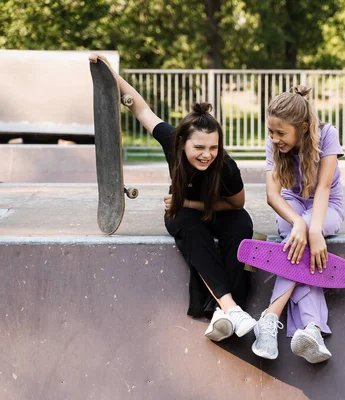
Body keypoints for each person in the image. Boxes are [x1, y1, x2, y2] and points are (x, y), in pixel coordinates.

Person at [89, 53, 256, 342]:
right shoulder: (171, 140)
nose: (207, 155)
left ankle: (221, 313)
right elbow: (141, 109)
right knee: (189, 227)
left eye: (214, 147)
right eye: (199, 147)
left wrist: (191, 202)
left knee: (242, 225)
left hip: (216, 210)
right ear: (182, 142)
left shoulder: (225, 167)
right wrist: (109, 74)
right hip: (183, 214)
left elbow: (236, 204)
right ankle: (231, 308)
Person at [251, 85, 344, 364]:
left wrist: (313, 229)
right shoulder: (274, 145)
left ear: (303, 127)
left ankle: (269, 317)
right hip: (291, 205)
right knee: (295, 241)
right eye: (271, 132)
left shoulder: (327, 134)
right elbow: (272, 196)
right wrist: (298, 224)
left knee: (295, 244)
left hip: (326, 206)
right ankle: (312, 329)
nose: (274, 139)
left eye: (281, 133)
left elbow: (325, 187)